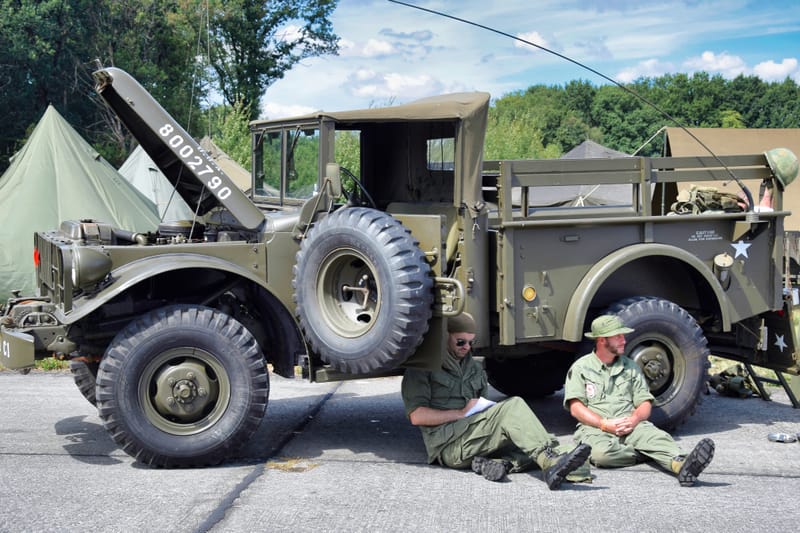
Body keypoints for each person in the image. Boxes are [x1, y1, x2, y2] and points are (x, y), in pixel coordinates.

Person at [401, 312, 591, 489]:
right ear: (445, 338)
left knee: (548, 442)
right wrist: (460, 413)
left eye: (471, 342)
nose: (466, 347)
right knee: (514, 407)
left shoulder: (473, 368)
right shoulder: (422, 369)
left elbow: (482, 407)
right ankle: (548, 463)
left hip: (475, 435)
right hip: (449, 445)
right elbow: (417, 416)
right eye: (460, 342)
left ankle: (504, 464)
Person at [564, 314, 715, 486]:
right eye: (618, 336)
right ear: (602, 340)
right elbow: (576, 407)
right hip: (596, 427)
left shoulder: (631, 367)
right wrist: (604, 424)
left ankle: (681, 465)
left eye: (623, 335)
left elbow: (644, 403)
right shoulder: (581, 368)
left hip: (630, 423)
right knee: (601, 456)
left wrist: (635, 419)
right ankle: (647, 454)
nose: (623, 340)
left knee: (658, 439)